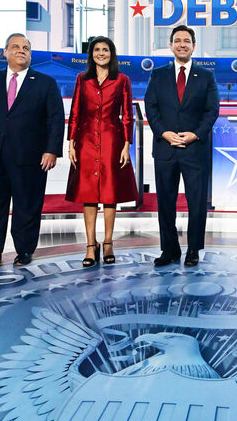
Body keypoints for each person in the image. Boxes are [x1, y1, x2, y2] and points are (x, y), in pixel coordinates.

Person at [0, 32, 65, 268]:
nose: (21, 51)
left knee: (27, 206)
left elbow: (55, 119)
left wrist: (52, 150)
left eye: (26, 48)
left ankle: (25, 250)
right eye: (16, 47)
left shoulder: (45, 83)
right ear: (5, 52)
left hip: (31, 157)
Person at [144, 24, 220, 268]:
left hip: (194, 149)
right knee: (165, 202)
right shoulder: (158, 75)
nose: (182, 44)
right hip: (166, 149)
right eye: (177, 40)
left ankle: (193, 250)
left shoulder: (206, 76)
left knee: (196, 201)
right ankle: (169, 249)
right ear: (170, 45)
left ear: (194, 46)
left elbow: (212, 111)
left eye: (187, 41)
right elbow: (151, 108)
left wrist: (195, 135)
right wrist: (164, 133)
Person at [65, 36, 139, 267]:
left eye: (105, 50)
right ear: (91, 54)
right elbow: (75, 112)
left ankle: (107, 243)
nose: (101, 53)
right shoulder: (82, 79)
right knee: (88, 194)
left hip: (112, 141)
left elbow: (127, 115)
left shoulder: (122, 80)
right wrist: (71, 143)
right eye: (97, 50)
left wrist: (127, 145)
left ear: (112, 53)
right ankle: (90, 245)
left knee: (109, 194)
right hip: (86, 142)